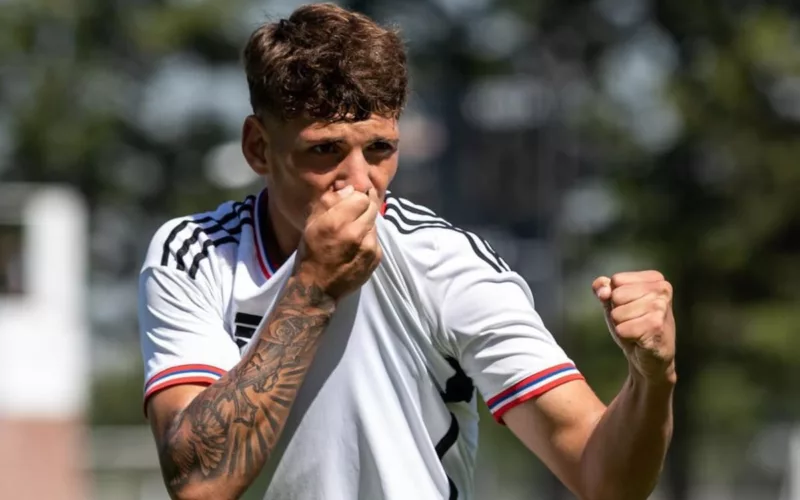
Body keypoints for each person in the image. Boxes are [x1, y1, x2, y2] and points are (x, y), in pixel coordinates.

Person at [138, 4, 676, 500]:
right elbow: (198, 482)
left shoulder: (446, 263)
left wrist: (651, 381)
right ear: (258, 146)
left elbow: (605, 479)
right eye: (324, 150)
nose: (358, 184)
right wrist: (312, 287)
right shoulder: (196, 254)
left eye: (379, 150)